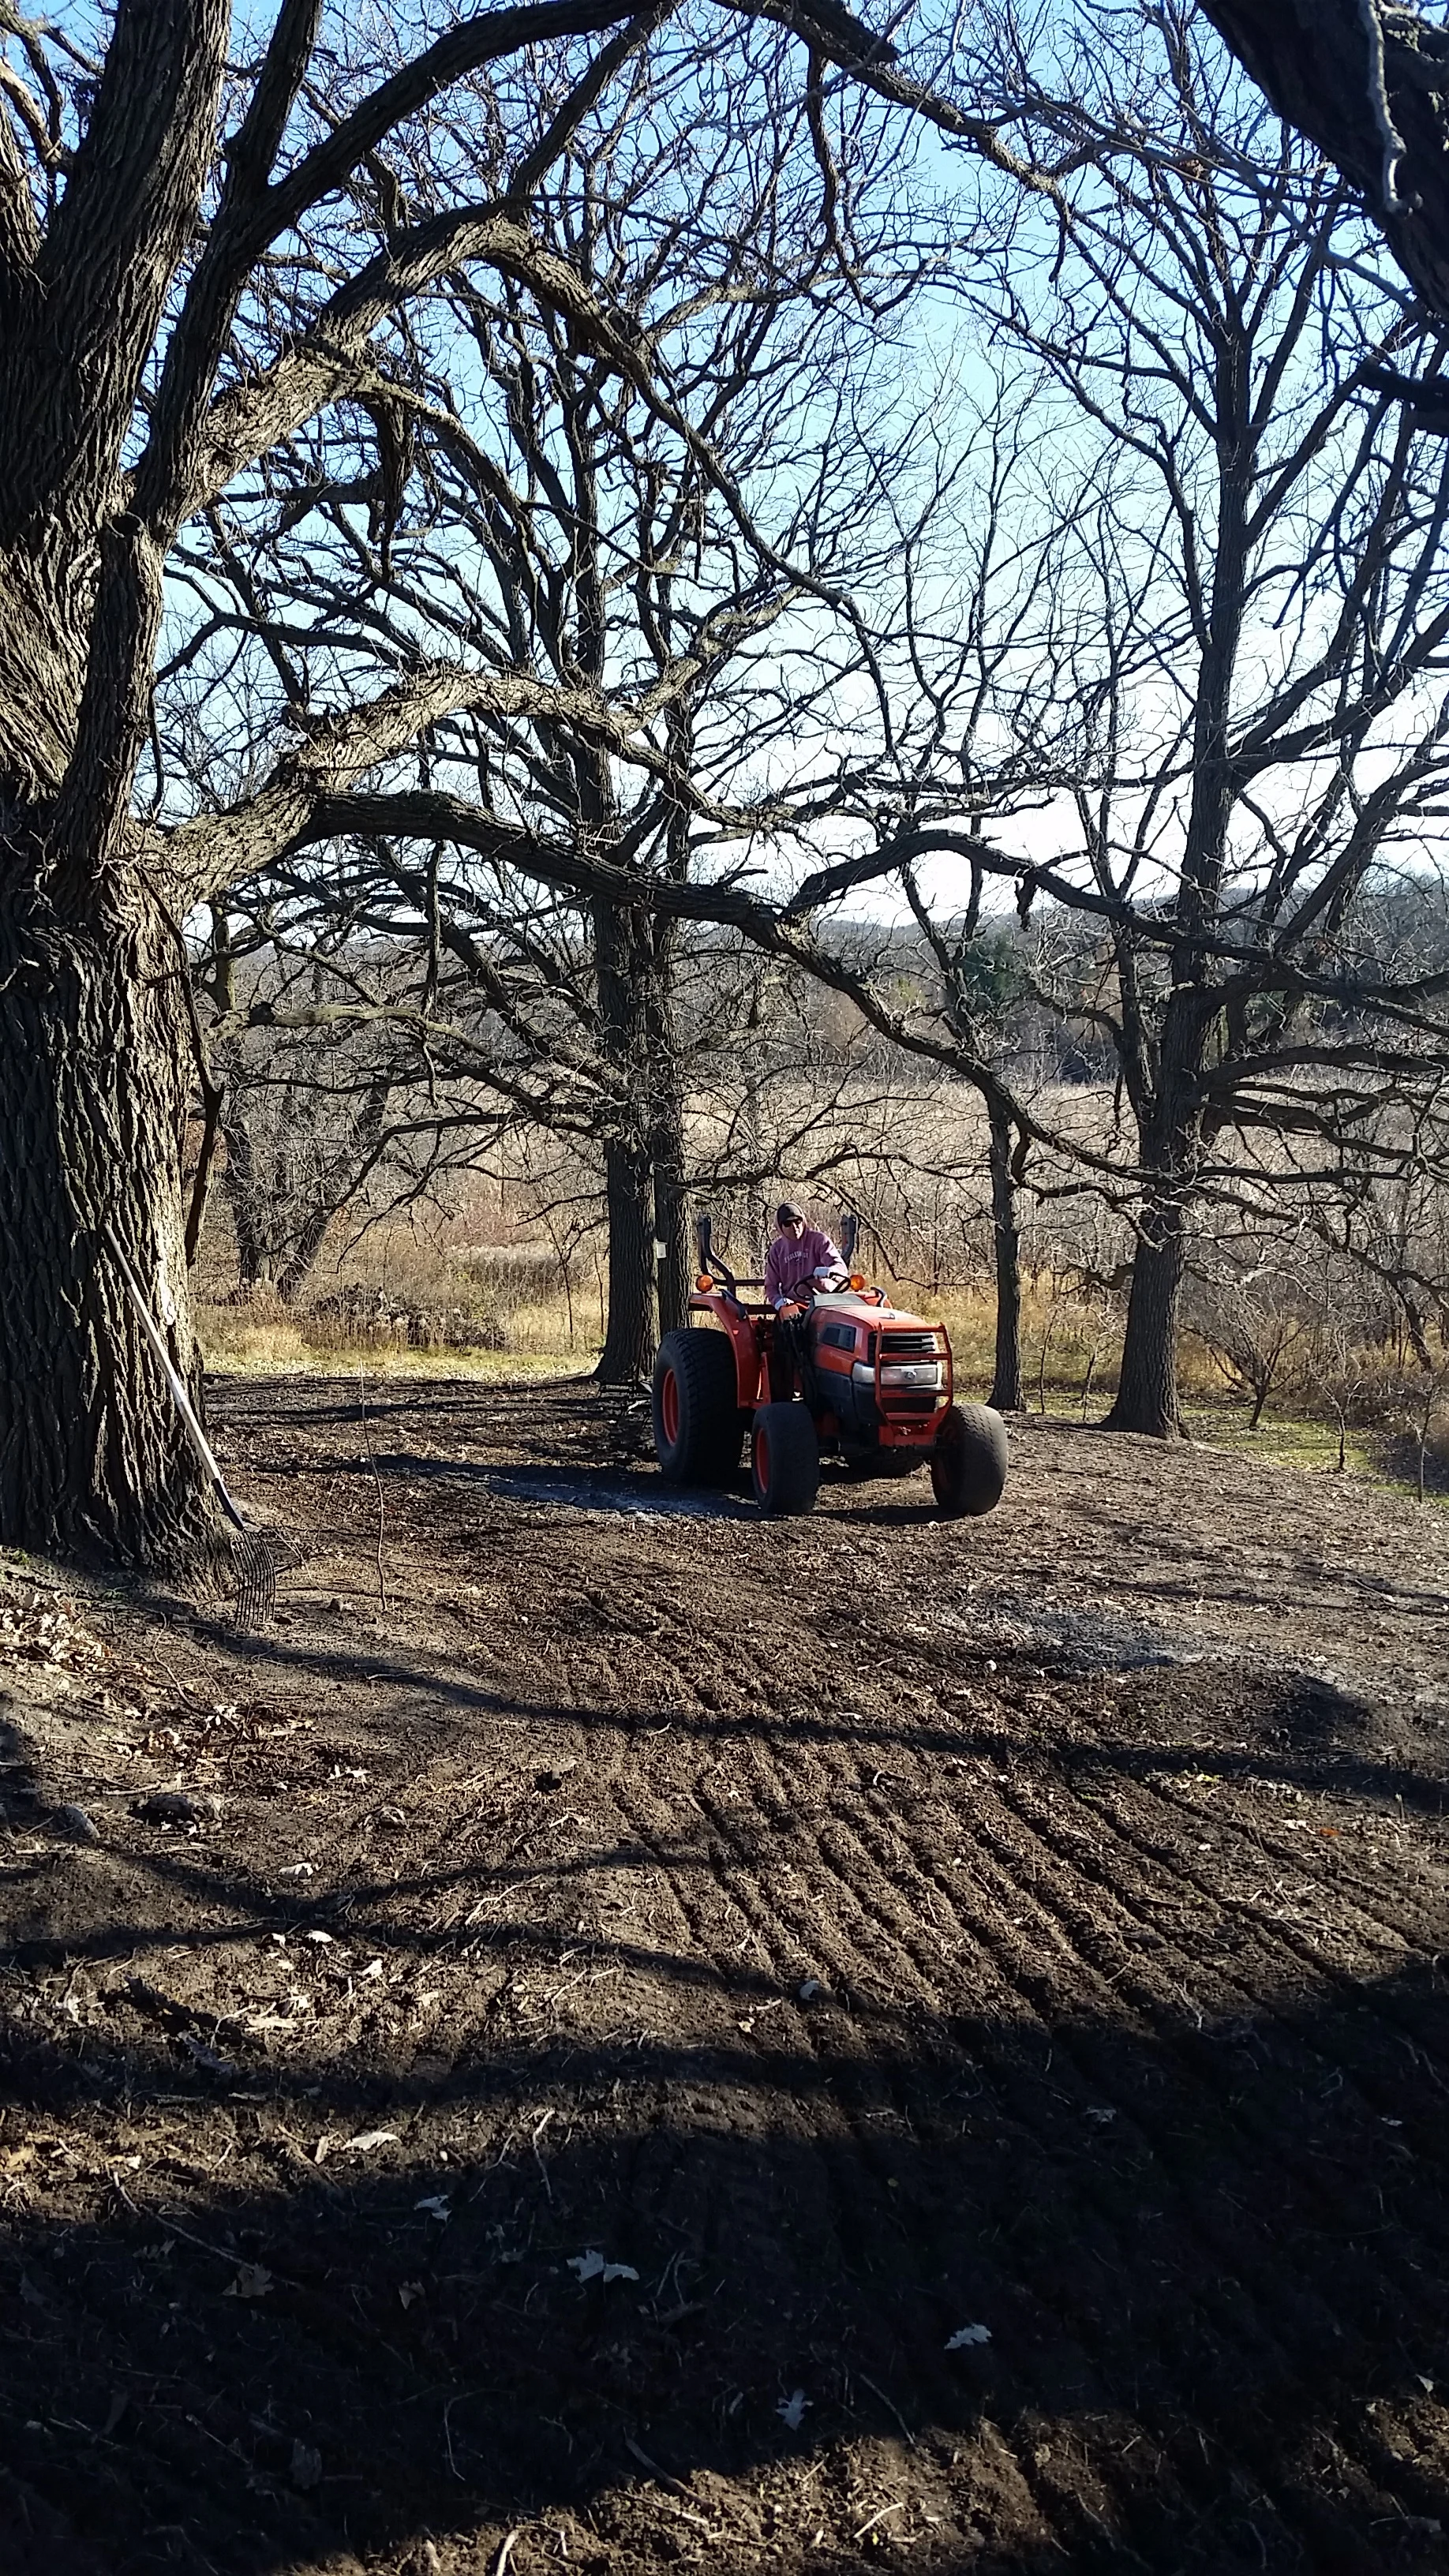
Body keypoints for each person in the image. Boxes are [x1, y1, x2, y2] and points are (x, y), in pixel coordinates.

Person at [764, 1202, 846, 1319]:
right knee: (790, 1327)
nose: (794, 1227)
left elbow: (841, 1268)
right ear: (780, 1227)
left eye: (798, 1221)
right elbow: (771, 1286)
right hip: (795, 1305)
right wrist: (779, 1302)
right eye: (788, 1223)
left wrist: (830, 1271)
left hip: (824, 1302)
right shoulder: (777, 1250)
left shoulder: (819, 1241)